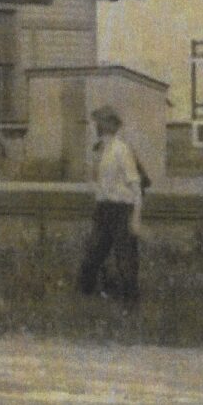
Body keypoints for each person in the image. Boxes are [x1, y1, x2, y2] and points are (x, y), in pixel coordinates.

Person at [78, 105, 147, 302]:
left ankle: (131, 303)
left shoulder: (121, 150)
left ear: (107, 125)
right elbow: (95, 180)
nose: (95, 126)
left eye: (98, 122)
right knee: (92, 255)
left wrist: (136, 218)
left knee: (125, 259)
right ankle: (84, 298)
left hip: (121, 210)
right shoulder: (100, 149)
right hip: (103, 209)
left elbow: (135, 186)